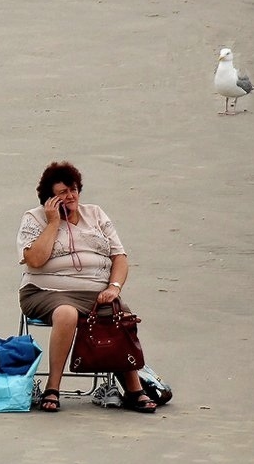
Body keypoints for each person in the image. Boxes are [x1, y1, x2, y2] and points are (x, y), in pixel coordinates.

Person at [16, 161, 157, 413]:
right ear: (50, 199)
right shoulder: (34, 218)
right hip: (45, 292)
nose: (70, 196)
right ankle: (52, 388)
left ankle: (134, 390)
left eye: (73, 190)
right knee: (66, 313)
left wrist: (114, 287)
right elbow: (35, 260)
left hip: (95, 291)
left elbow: (120, 257)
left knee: (120, 314)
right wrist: (52, 223)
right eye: (62, 193)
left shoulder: (96, 214)